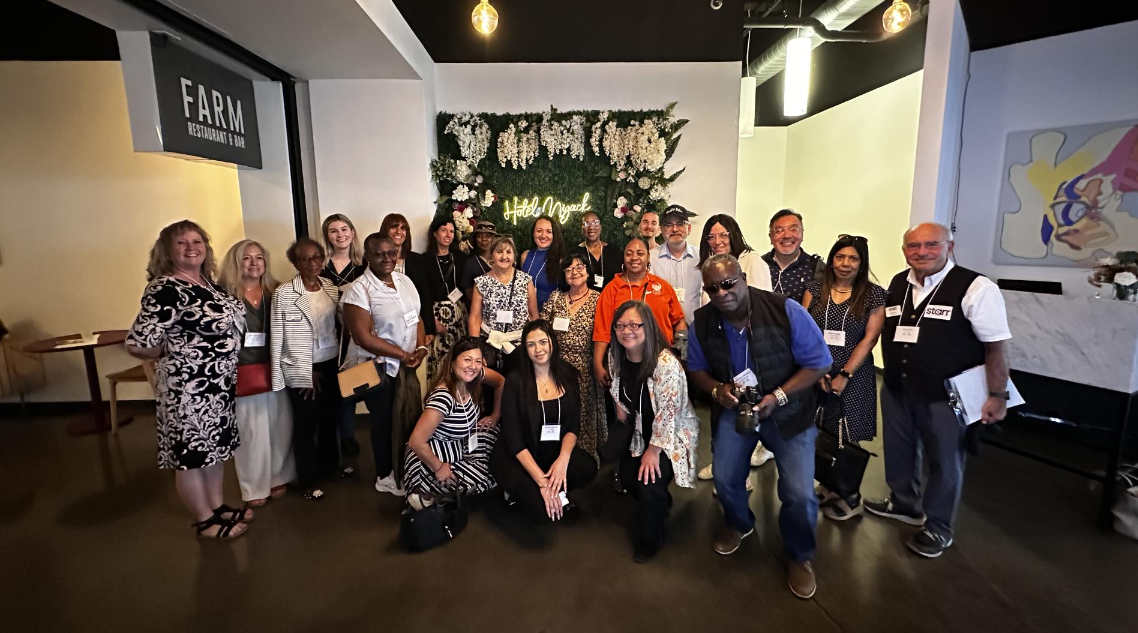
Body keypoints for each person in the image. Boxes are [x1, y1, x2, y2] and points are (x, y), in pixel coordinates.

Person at [687, 254, 832, 599]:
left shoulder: (785, 310)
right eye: (712, 288)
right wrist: (716, 390)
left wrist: (778, 396)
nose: (722, 293)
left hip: (788, 411)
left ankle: (799, 554)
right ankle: (739, 522)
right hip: (736, 410)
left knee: (799, 493)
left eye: (728, 283)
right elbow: (696, 369)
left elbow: (820, 363)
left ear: (743, 278)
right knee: (724, 477)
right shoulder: (703, 321)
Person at [865, 223, 1011, 558]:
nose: (922, 252)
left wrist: (997, 395)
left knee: (945, 460)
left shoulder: (976, 288)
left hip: (946, 394)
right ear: (904, 251)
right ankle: (904, 503)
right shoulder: (898, 283)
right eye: (913, 246)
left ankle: (939, 527)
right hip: (898, 387)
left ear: (950, 247)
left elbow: (996, 347)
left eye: (932, 244)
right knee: (899, 451)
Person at [126, 220, 251, 540]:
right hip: (187, 389)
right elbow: (138, 343)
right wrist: (171, 351)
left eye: (197, 241)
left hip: (218, 386)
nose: (191, 247)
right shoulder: (165, 289)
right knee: (192, 457)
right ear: (167, 251)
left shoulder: (207, 283)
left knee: (214, 451)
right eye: (181, 243)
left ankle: (217, 506)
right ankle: (205, 520)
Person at [802, 235, 886, 520]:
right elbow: (804, 330)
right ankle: (829, 485)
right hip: (817, 371)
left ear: (862, 263)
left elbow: (870, 338)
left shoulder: (874, 294)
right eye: (840, 257)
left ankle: (850, 495)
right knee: (821, 429)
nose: (845, 263)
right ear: (831, 260)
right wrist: (818, 370)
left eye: (853, 258)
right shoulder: (815, 288)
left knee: (847, 434)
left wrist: (844, 374)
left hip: (854, 374)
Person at [607, 301, 699, 562]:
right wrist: (620, 405)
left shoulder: (665, 364)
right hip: (640, 429)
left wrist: (652, 451)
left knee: (648, 482)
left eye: (634, 325)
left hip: (670, 436)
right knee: (627, 475)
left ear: (647, 326)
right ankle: (660, 503)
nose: (627, 331)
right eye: (620, 326)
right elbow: (617, 386)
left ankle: (651, 537)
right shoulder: (617, 355)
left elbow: (668, 414)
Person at [341, 234, 429, 497]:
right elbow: (362, 337)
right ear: (367, 256)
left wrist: (421, 348)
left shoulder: (404, 281)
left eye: (391, 252)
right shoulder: (359, 289)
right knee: (384, 421)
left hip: (406, 364)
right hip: (379, 367)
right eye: (379, 254)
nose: (387, 258)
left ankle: (403, 468)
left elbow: (416, 317)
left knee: (406, 417)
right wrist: (402, 354)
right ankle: (385, 476)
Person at [491, 320, 599, 521]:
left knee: (587, 467)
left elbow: (573, 425)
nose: (538, 349)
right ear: (525, 349)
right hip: (518, 455)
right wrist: (543, 483)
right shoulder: (515, 381)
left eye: (543, 342)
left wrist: (563, 460)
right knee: (540, 509)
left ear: (552, 342)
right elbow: (514, 441)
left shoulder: (568, 374)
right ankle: (525, 490)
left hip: (551, 451)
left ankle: (554, 489)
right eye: (531, 344)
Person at [696, 214, 777, 478]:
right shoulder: (709, 265)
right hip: (718, 346)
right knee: (720, 406)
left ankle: (740, 474)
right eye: (711, 236)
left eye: (723, 234)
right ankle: (722, 464)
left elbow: (761, 305)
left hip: (746, 349)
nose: (717, 240)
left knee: (747, 408)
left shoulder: (751, 262)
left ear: (734, 234)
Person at [219, 239, 295, 508]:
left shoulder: (276, 292)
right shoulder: (224, 296)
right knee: (251, 431)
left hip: (275, 368)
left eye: (259, 257)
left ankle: (278, 477)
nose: (254, 263)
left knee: (280, 425)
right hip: (241, 371)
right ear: (236, 262)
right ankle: (254, 486)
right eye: (247, 258)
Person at [270, 237, 341, 500]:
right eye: (304, 259)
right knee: (305, 424)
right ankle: (308, 481)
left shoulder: (330, 287)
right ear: (295, 263)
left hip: (331, 361)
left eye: (316, 257)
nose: (312, 263)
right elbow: (279, 338)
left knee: (329, 418)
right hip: (304, 366)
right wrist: (302, 372)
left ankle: (329, 468)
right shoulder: (284, 293)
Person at [403, 338, 505, 507]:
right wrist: (438, 467)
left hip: (459, 443)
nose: (473, 366)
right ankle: (426, 492)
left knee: (495, 438)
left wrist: (495, 415)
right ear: (452, 362)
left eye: (478, 361)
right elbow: (416, 441)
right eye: (467, 359)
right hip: (433, 454)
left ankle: (446, 492)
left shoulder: (474, 375)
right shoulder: (443, 397)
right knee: (490, 474)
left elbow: (501, 382)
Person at [593, 238, 686, 390]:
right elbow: (602, 331)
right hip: (625, 361)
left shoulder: (663, 286)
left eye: (640, 253)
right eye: (629, 253)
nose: (634, 257)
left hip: (662, 360)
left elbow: (679, 320)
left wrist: (681, 352)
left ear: (648, 257)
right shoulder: (612, 289)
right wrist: (597, 363)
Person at [540, 251, 606, 463]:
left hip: (585, 367)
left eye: (579, 267)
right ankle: (557, 456)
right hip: (555, 367)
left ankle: (583, 459)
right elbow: (542, 328)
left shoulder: (599, 299)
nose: (574, 272)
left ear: (588, 271)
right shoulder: (556, 297)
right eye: (568, 269)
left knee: (582, 413)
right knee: (558, 410)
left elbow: (603, 334)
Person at [320, 213, 367, 467]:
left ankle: (348, 437)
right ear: (327, 236)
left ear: (352, 232)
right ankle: (334, 443)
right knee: (332, 388)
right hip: (327, 334)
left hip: (355, 335)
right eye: (333, 231)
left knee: (352, 385)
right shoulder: (320, 267)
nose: (340, 235)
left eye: (344, 229)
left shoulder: (363, 266)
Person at [470, 236, 538, 372]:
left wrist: (533, 344)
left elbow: (533, 315)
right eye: (499, 252)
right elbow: (475, 317)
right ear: (492, 255)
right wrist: (475, 350)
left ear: (514, 256)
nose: (504, 256)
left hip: (519, 345)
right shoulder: (481, 282)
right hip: (489, 343)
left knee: (517, 382)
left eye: (508, 252)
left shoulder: (526, 280)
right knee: (490, 382)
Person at [424, 215, 469, 385]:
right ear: (435, 233)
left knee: (460, 356)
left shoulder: (461, 258)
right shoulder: (425, 260)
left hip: (459, 313)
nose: (448, 235)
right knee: (439, 358)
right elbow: (424, 294)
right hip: (437, 314)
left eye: (451, 231)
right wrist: (431, 321)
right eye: (443, 230)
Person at [380, 213, 435, 343]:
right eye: (394, 227)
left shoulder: (418, 260)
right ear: (385, 230)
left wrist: (429, 329)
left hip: (414, 322)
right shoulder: (376, 259)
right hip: (385, 323)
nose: (399, 231)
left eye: (403, 228)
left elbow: (425, 296)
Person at [651, 205, 702, 325]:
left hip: (695, 328)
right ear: (661, 230)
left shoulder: (701, 257)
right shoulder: (651, 258)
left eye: (680, 224)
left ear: (689, 228)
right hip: (662, 328)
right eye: (669, 225)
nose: (674, 229)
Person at [761, 209, 822, 303]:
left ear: (802, 234)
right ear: (771, 237)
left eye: (794, 229)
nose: (787, 235)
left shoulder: (817, 268)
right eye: (779, 230)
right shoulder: (759, 264)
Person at [520, 215, 566, 309]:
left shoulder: (561, 260)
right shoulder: (525, 256)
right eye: (539, 231)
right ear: (533, 233)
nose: (543, 235)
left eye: (548, 231)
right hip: (525, 312)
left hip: (549, 313)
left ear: (554, 235)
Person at [580, 210, 623, 291]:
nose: (591, 227)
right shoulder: (575, 253)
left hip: (613, 295)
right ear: (582, 228)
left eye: (595, 223)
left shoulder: (614, 250)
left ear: (600, 226)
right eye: (586, 223)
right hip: (586, 297)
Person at [461, 220, 498, 301]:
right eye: (479, 236)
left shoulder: (501, 260)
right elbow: (468, 291)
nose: (484, 239)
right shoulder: (470, 264)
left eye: (488, 236)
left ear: (493, 238)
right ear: (475, 239)